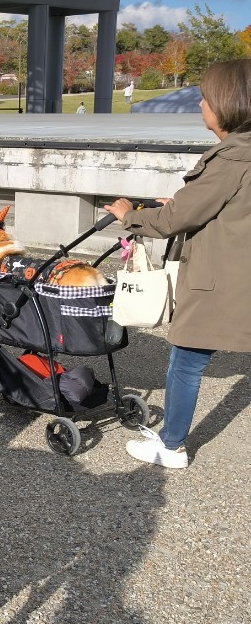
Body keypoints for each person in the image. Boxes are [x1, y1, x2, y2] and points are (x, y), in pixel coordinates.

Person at [104, 58, 251, 469]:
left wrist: (126, 215)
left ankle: (171, 446)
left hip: (219, 280)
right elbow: (223, 207)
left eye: (204, 98)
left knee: (185, 361)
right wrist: (184, 204)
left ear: (225, 105)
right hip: (240, 274)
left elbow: (172, 221)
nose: (200, 105)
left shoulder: (231, 159)